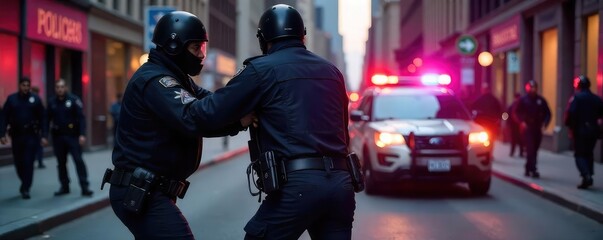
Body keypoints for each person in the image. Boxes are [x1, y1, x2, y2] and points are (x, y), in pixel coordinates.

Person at [191, 4, 356, 239]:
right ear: (303, 35)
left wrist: (187, 88)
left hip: (296, 187)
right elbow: (343, 128)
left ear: (263, 38)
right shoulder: (332, 72)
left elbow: (211, 113)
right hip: (341, 184)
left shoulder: (260, 69)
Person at [102, 11, 252, 239]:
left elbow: (209, 108)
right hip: (140, 190)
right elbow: (193, 116)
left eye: (202, 48)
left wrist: (240, 118)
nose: (201, 55)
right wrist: (245, 94)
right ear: (174, 46)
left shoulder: (180, 79)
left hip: (152, 190)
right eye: (195, 48)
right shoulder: (156, 80)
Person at [42, 80, 93, 197]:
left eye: (62, 87)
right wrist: (44, 135)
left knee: (78, 161)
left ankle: (85, 187)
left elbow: (81, 118)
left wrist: (82, 134)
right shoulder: (52, 102)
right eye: (58, 87)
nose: (60, 89)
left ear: (66, 88)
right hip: (58, 137)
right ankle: (64, 186)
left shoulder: (74, 100)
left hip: (73, 136)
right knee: (61, 163)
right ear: (55, 89)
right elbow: (46, 119)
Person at [0, 77, 46, 199]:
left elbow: (42, 117)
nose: (25, 87)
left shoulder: (35, 99)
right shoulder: (12, 99)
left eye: (27, 85)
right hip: (17, 135)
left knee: (29, 162)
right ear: (19, 86)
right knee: (18, 162)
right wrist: (2, 134)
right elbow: (4, 117)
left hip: (31, 135)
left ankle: (26, 188)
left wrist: (44, 135)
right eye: (23, 85)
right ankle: (24, 181)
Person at [564, 75, 603, 189]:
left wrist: (570, 127)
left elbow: (570, 114)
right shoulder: (596, 98)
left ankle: (586, 175)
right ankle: (589, 174)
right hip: (593, 130)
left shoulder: (576, 98)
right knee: (589, 153)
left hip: (580, 130)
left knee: (579, 154)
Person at [512, 80, 551, 178]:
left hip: (537, 127)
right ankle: (533, 169)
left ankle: (528, 167)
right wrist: (522, 122)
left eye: (534, 87)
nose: (533, 89)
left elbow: (548, 113)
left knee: (535, 149)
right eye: (531, 87)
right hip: (528, 127)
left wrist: (545, 123)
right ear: (527, 88)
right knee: (530, 148)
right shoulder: (523, 100)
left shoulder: (541, 100)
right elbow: (516, 112)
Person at [31, 86, 46, 168]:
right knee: (36, 146)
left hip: (37, 128)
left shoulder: (37, 101)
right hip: (35, 128)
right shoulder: (37, 100)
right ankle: (38, 162)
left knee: (37, 146)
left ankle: (37, 161)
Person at [507, 93, 524, 157]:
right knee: (515, 139)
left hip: (518, 125)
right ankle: (514, 152)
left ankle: (519, 152)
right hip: (514, 125)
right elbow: (508, 114)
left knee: (519, 139)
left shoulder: (515, 105)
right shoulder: (512, 106)